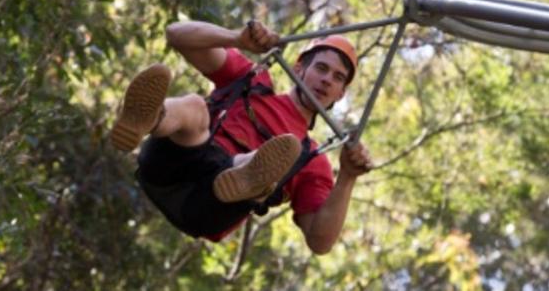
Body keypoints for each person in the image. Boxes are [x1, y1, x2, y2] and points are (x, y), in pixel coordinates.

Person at [110, 20, 373, 255]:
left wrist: (347, 176)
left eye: (337, 78)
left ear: (340, 93)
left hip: (209, 206)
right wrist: (235, 37)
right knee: (194, 107)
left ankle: (246, 175)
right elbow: (176, 34)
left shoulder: (311, 160)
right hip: (172, 164)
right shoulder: (252, 81)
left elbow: (320, 242)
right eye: (322, 68)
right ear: (300, 67)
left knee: (264, 161)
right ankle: (148, 119)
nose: (327, 80)